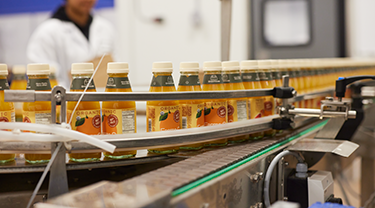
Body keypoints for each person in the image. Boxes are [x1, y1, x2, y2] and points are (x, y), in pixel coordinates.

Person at [27, 0, 116, 89]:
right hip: (64, 101)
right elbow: (43, 83)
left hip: (104, 102)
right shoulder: (47, 33)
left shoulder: (105, 28)